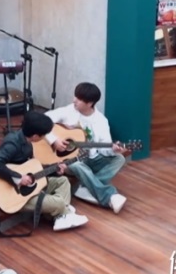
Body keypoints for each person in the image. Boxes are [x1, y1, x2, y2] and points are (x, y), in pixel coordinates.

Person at [0, 111, 88, 231]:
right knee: (60, 203)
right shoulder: (12, 143)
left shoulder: (28, 143)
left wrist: (55, 169)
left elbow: (32, 168)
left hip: (28, 189)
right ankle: (62, 212)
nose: (45, 138)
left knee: (63, 181)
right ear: (35, 136)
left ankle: (60, 215)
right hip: (15, 196)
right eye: (44, 135)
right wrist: (19, 178)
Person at [45, 82, 128, 213]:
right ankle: (108, 196)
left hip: (91, 159)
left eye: (79, 99)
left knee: (119, 158)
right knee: (77, 164)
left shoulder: (101, 121)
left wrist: (114, 149)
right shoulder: (68, 111)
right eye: (75, 96)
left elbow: (104, 148)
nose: (74, 100)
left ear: (90, 103)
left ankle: (85, 188)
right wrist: (54, 140)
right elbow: (42, 120)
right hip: (70, 161)